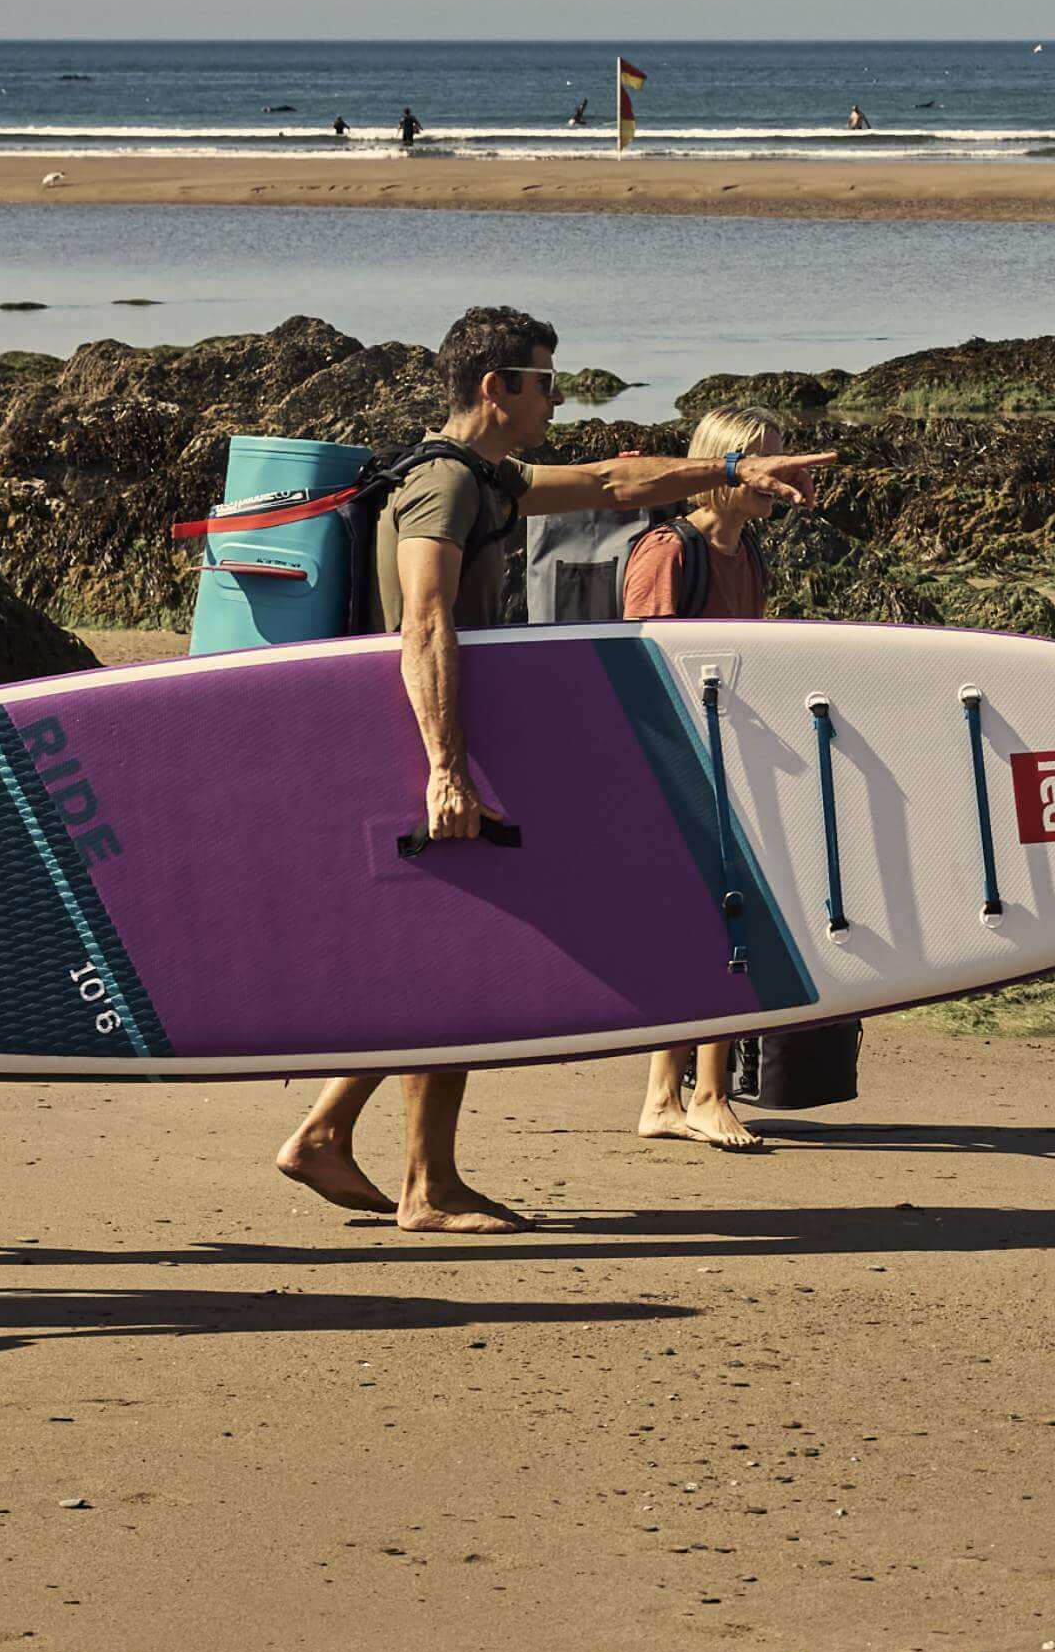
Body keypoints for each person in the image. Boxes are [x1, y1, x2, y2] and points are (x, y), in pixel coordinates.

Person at [272, 314, 831, 1227]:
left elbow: (615, 482)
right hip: (429, 745)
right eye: (545, 382)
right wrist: (446, 768)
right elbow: (425, 623)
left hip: (457, 739)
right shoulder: (444, 487)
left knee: (441, 958)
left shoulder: (486, 478)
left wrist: (734, 471)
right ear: (496, 387)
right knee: (450, 965)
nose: (558, 397)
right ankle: (427, 1186)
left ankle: (328, 1137)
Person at [622, 407, 785, 1148]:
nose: (775, 477)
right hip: (681, 764)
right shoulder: (669, 551)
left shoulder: (746, 552)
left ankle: (666, 1097)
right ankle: (706, 1094)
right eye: (762, 462)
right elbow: (642, 670)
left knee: (714, 923)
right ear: (721, 464)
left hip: (734, 757)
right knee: (723, 921)